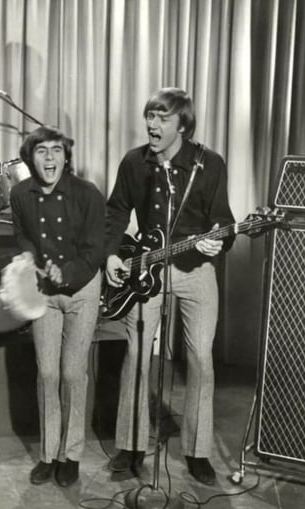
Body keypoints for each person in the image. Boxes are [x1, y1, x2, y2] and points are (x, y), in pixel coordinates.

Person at [103, 87, 235, 485]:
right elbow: (116, 211)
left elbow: (224, 221)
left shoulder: (209, 163)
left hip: (196, 269)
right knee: (137, 354)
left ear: (183, 125)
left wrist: (218, 241)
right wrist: (110, 255)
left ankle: (197, 451)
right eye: (150, 116)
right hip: (147, 267)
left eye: (162, 118)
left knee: (200, 360)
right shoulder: (135, 162)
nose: (152, 125)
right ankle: (131, 446)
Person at [9, 126, 107, 487]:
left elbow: (96, 249)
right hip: (44, 291)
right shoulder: (20, 194)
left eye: (56, 151)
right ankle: (49, 454)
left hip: (82, 287)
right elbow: (21, 234)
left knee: (72, 374)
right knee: (48, 373)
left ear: (66, 158)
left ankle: (71, 455)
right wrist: (28, 256)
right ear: (29, 158)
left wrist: (66, 273)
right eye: (41, 151)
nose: (49, 158)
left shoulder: (88, 193)